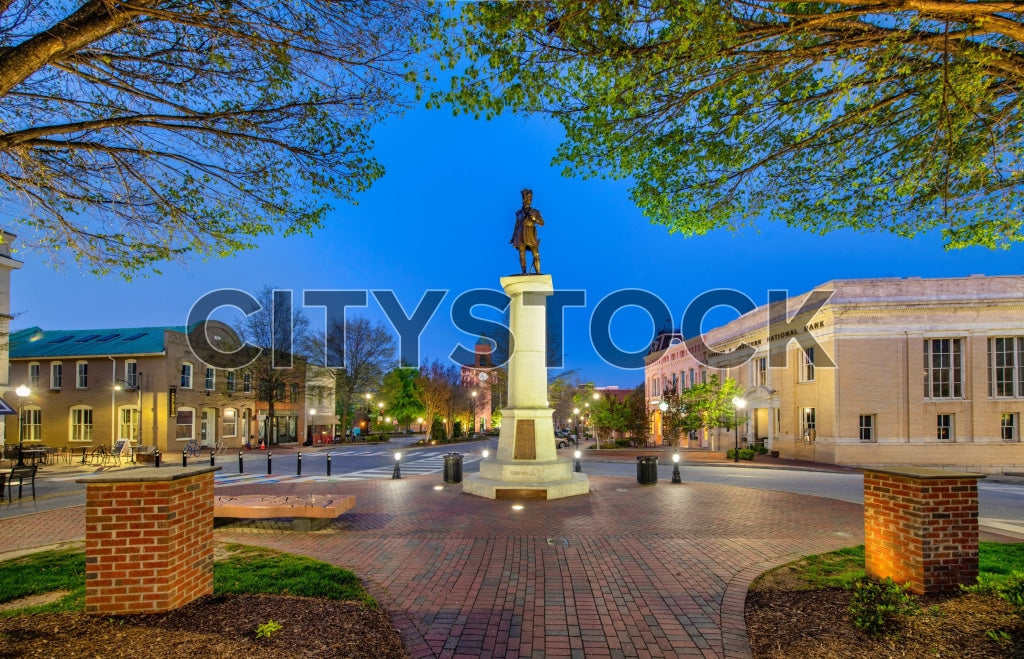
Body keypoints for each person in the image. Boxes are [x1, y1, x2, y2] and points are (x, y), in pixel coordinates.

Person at [510, 188, 544, 274]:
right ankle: (524, 272)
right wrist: (513, 237)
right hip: (520, 234)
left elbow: (542, 223)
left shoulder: (535, 211)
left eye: (530, 198)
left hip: (530, 233)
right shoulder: (519, 213)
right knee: (522, 255)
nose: (529, 200)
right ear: (523, 199)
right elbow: (516, 225)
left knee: (536, 254)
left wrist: (534, 219)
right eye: (528, 198)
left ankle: (538, 272)